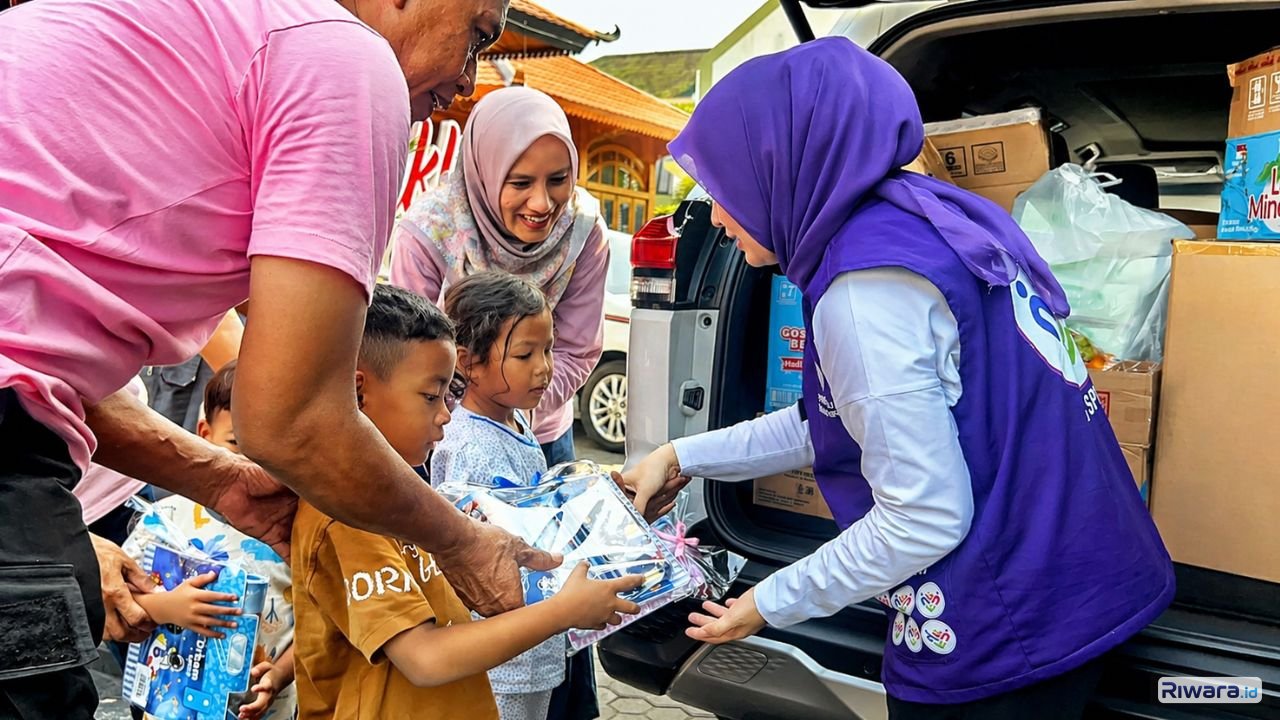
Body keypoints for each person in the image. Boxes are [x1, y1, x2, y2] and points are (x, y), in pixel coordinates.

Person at [0, 1, 562, 717]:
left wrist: (221, 480)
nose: (467, 76)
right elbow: (293, 417)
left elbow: (35, 356)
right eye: (477, 34)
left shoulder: (225, 29)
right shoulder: (345, 61)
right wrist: (465, 546)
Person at [623, 38, 1175, 720]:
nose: (714, 214)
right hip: (1082, 574)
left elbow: (923, 518)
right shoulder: (926, 218)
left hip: (1013, 621)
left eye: (724, 185)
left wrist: (766, 604)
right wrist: (680, 456)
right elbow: (839, 418)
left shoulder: (866, 292)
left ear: (783, 169)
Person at [291, 284, 641, 720]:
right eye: (430, 396)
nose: (445, 414)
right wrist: (563, 611)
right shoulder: (347, 517)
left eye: (446, 395)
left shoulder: (400, 497)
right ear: (359, 391)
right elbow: (425, 658)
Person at [392, 89, 610, 716]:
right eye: (520, 183)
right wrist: (472, 412)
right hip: (451, 424)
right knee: (479, 569)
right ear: (486, 172)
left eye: (557, 181)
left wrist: (519, 408)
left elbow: (575, 351)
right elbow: (412, 361)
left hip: (535, 427)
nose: (542, 204)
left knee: (560, 583)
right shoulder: (429, 233)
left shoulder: (585, 233)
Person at [123, 360, 297, 720]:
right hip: (168, 702)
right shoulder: (166, 518)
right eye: (237, 443)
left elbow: (321, 620)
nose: (253, 466)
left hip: (264, 709)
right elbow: (118, 598)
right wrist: (166, 607)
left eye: (272, 449)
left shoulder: (295, 531)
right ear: (204, 434)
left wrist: (280, 674)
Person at [430, 271, 562, 720]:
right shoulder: (470, 445)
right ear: (468, 363)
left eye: (548, 349)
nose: (544, 367)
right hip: (500, 657)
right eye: (525, 354)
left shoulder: (512, 419)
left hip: (528, 644)